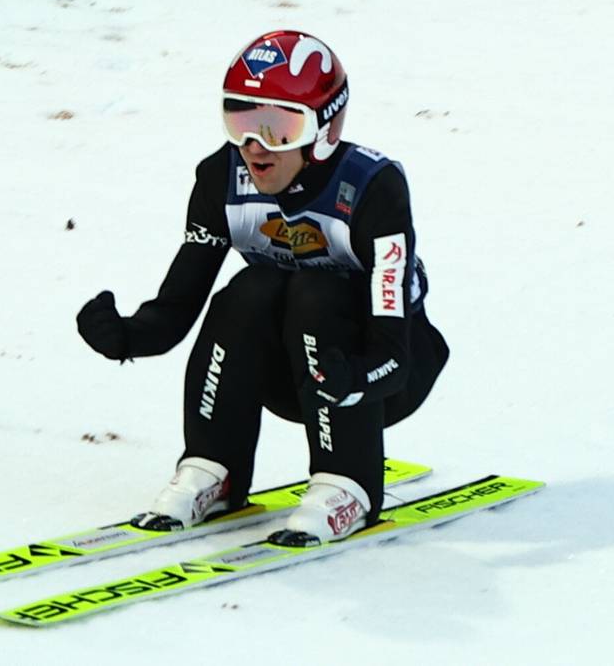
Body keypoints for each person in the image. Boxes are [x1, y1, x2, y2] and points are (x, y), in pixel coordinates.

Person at [76, 30, 449, 545]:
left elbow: (395, 351)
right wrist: (128, 336)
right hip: (295, 374)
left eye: (278, 127)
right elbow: (179, 305)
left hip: (384, 373)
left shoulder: (372, 189)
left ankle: (349, 483)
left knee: (319, 292)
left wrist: (354, 380)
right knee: (250, 288)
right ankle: (214, 467)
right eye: (241, 122)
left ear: (324, 128)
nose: (255, 147)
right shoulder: (220, 180)